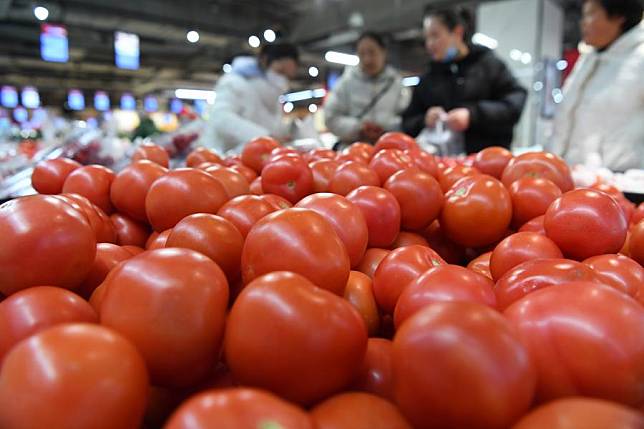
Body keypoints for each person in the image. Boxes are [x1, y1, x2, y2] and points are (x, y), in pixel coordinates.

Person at [402, 6, 527, 154]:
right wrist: (424, 119)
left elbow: (514, 104)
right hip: (440, 166)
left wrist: (473, 115)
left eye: (435, 35)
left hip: (489, 161)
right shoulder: (428, 78)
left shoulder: (488, 65)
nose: (429, 44)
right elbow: (407, 122)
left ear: (457, 32)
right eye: (426, 38)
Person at [550, 0, 643, 171]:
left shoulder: (640, 58)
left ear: (619, 16)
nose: (583, 22)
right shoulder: (587, 59)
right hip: (575, 177)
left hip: (624, 184)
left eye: (591, 14)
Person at [201, 43, 299, 154]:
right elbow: (221, 117)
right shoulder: (233, 82)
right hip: (221, 156)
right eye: (280, 71)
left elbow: (272, 125)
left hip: (256, 160)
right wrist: (266, 137)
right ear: (264, 61)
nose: (282, 79)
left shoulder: (275, 96)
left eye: (288, 76)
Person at [324, 32, 410, 144]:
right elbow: (330, 118)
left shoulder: (397, 84)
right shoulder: (345, 83)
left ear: (383, 52)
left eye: (372, 52)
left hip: (390, 147)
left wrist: (387, 128)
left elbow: (407, 118)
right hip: (354, 149)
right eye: (362, 54)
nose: (367, 59)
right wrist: (358, 128)